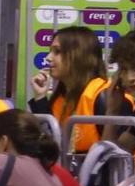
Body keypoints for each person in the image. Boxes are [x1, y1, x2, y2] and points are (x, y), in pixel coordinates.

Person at [28, 25, 114, 154]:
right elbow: (51, 145)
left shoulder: (102, 94)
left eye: (57, 52)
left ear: (78, 55)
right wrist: (40, 97)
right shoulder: (62, 96)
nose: (48, 58)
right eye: (50, 51)